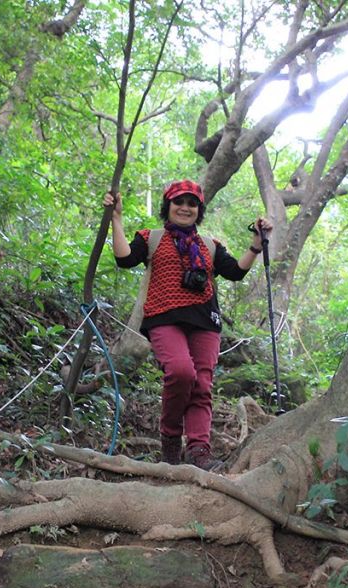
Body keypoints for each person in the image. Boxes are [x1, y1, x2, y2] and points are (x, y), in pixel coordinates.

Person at [104, 180, 272, 470]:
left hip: (205, 321)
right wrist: (115, 219)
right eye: (178, 202)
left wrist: (257, 244)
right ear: (167, 206)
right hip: (164, 317)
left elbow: (235, 272)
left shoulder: (209, 245)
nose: (185, 208)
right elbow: (125, 259)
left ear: (199, 210)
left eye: (192, 203)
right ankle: (170, 439)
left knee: (202, 384)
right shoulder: (151, 238)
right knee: (181, 372)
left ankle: (198, 450)